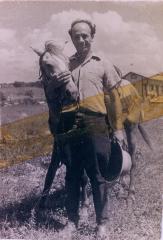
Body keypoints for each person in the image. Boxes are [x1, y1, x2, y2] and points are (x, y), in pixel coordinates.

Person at [41, 19, 125, 238]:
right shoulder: (65, 64)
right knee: (72, 175)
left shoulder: (103, 63)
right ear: (71, 37)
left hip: (96, 123)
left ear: (92, 36)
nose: (81, 39)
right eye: (76, 36)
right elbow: (52, 93)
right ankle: (71, 222)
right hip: (69, 125)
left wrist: (117, 129)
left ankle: (102, 224)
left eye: (85, 35)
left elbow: (115, 98)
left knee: (98, 175)